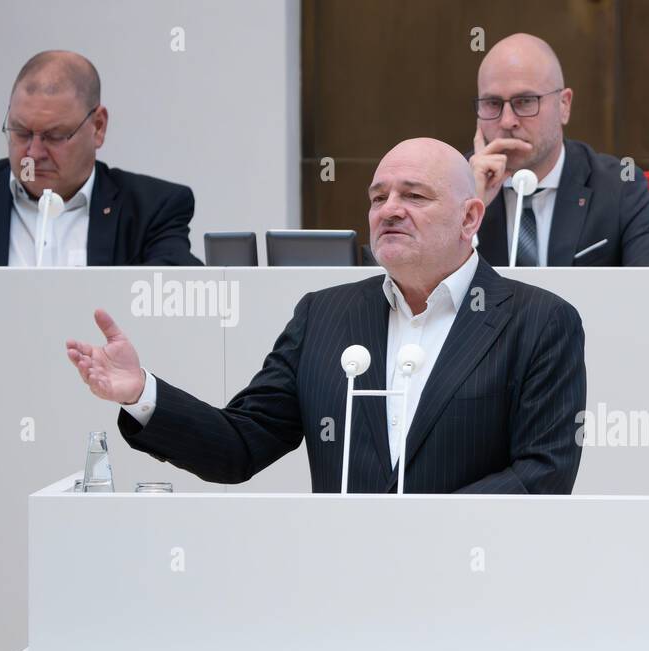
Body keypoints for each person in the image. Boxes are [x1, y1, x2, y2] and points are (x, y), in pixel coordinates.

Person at [65, 138, 586, 494]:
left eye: (413, 195)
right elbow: (239, 446)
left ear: (470, 217)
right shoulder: (324, 316)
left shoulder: (539, 322)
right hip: (340, 589)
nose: (389, 209)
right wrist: (142, 393)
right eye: (378, 197)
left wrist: (416, 534)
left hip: (474, 590)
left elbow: (542, 475)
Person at [468, 32, 649, 268]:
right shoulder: (453, 187)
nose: (507, 121)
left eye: (525, 101)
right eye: (492, 103)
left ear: (564, 105)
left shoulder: (620, 186)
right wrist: (468, 210)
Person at [0, 50, 201, 267]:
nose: (34, 154)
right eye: (21, 132)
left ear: (98, 127)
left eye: (55, 136)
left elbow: (175, 279)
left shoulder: (151, 208)